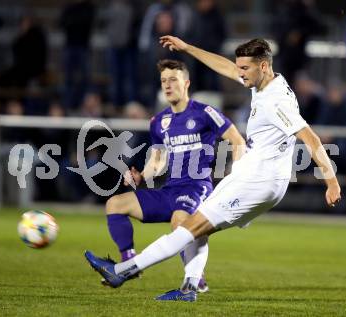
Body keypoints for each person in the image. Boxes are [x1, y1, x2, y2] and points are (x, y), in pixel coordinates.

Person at [84, 38, 341, 302]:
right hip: (258, 176)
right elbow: (227, 68)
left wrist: (331, 181)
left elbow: (311, 139)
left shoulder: (274, 101)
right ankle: (189, 288)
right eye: (240, 67)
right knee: (198, 226)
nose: (239, 74)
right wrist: (188, 49)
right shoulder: (266, 82)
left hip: (259, 179)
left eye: (245, 69)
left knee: (188, 226)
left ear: (263, 66)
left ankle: (121, 271)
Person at [93, 59, 245, 295]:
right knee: (115, 204)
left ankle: (194, 281)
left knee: (180, 222)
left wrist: (237, 178)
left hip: (196, 187)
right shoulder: (158, 122)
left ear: (186, 83)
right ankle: (130, 263)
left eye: (173, 79)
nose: (167, 85)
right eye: (163, 80)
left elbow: (237, 141)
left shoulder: (205, 113)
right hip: (169, 190)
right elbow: (158, 160)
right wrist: (141, 176)